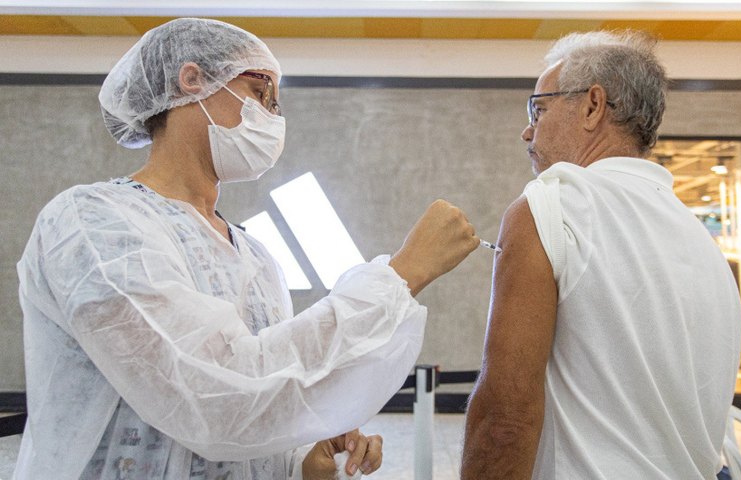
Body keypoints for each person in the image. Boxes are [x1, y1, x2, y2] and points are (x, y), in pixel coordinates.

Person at [14, 18, 480, 480]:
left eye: (276, 105)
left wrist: (303, 459)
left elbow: (264, 395)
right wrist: (401, 274)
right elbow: (208, 393)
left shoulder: (255, 257)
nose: (272, 118)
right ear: (192, 80)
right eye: (261, 94)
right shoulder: (92, 224)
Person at [461, 30, 741, 479]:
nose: (527, 130)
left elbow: (505, 422)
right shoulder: (701, 242)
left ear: (593, 106)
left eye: (540, 108)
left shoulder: (551, 206)